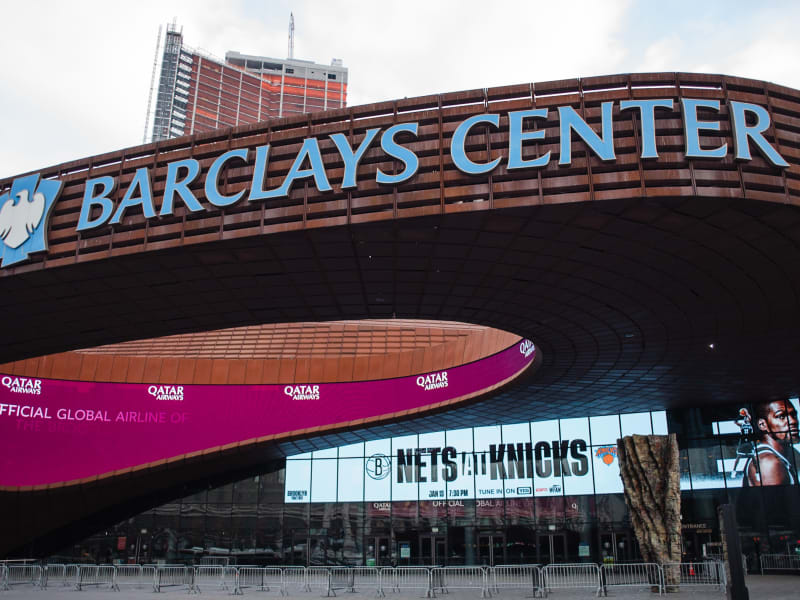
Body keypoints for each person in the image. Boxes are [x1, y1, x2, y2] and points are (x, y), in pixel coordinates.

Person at [745, 400, 799, 486]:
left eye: (793, 415)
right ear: (762, 424)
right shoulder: (769, 463)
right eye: (781, 416)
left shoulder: (788, 453)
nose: (793, 421)